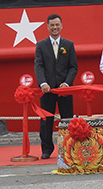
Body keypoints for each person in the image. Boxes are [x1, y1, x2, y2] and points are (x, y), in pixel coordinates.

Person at [34, 14, 78, 159]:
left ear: (61, 26)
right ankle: (46, 149)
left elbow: (73, 67)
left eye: (57, 25)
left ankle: (69, 146)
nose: (55, 27)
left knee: (67, 120)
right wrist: (43, 83)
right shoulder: (41, 45)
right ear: (47, 27)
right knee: (46, 121)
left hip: (65, 89)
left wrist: (66, 83)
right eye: (52, 25)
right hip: (48, 90)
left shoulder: (69, 44)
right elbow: (38, 66)